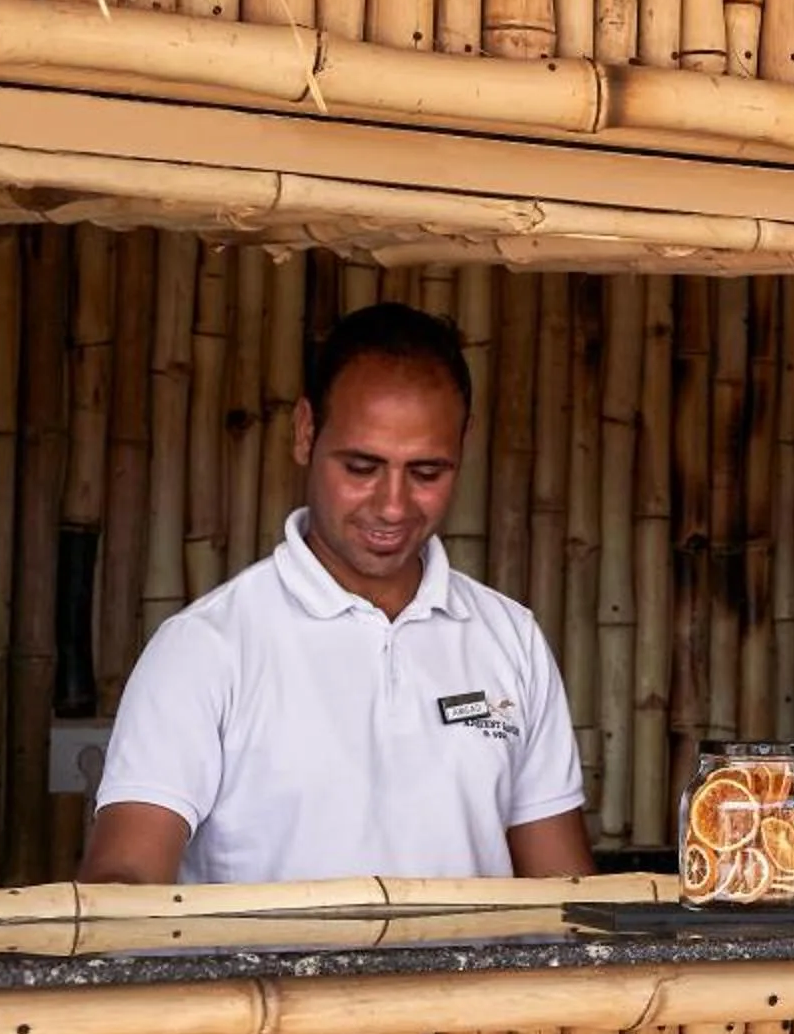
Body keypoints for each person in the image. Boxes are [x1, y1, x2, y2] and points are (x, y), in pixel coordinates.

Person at [79, 301, 595, 885]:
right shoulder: (207, 648)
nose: (393, 505)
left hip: (477, 983)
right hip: (268, 981)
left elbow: (565, 895)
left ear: (463, 444)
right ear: (305, 431)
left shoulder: (511, 639)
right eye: (361, 467)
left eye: (427, 472)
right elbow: (123, 886)